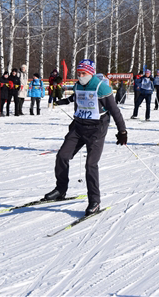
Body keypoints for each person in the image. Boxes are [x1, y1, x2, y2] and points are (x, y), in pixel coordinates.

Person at [45, 59, 127, 216]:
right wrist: (63, 102)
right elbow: (75, 98)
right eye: (79, 73)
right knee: (62, 156)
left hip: (97, 129)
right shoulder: (78, 85)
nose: (80, 76)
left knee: (91, 164)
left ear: (91, 73)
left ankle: (94, 201)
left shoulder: (100, 87)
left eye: (83, 73)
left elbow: (114, 110)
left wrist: (122, 131)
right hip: (79, 127)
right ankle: (61, 189)